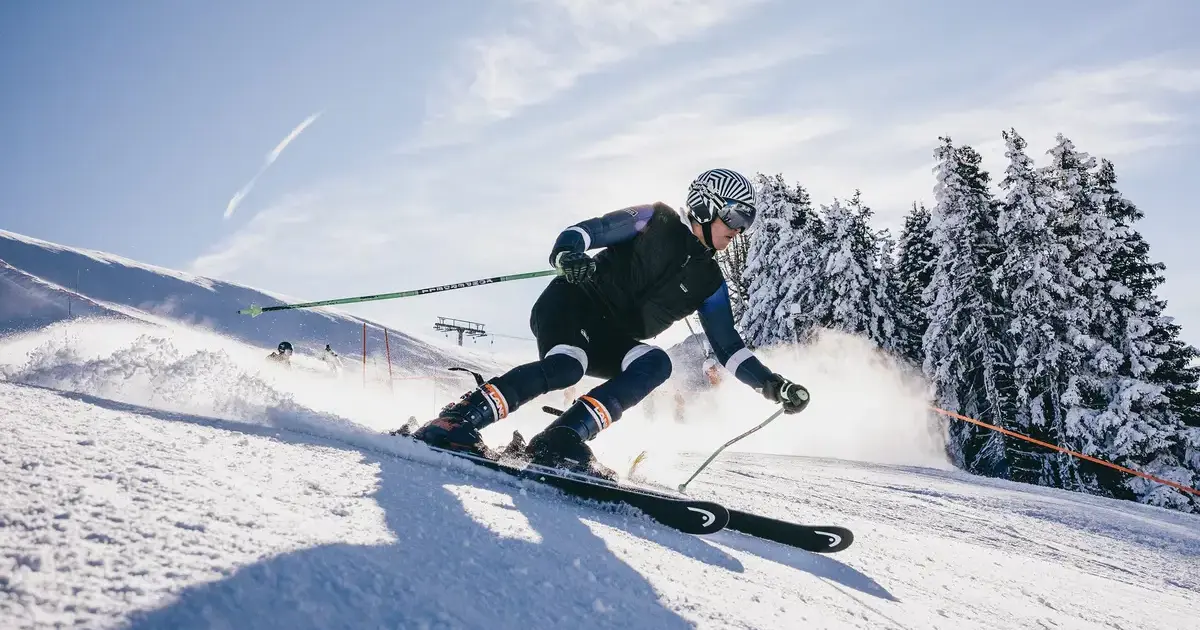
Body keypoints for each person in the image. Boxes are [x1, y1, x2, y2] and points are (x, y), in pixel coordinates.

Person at [406, 168, 810, 479]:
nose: (740, 231)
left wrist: (773, 385)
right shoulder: (656, 219)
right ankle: (457, 419)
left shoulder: (710, 281)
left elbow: (728, 347)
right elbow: (585, 231)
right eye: (736, 217)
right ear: (705, 207)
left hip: (612, 336)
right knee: (568, 366)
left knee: (656, 363)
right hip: (572, 303)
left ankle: (562, 437)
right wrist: (568, 256)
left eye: (748, 222)